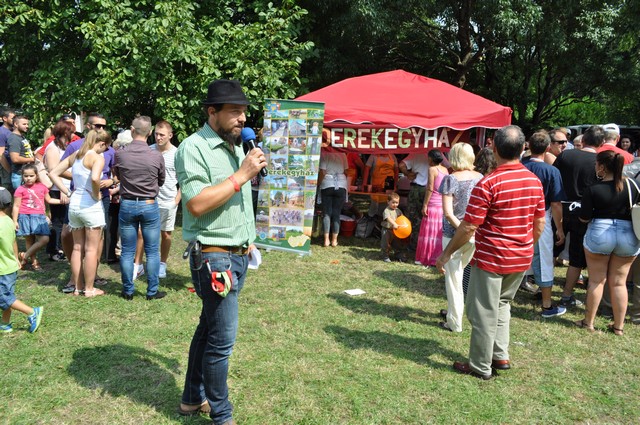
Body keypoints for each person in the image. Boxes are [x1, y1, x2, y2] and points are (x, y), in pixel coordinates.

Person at [175, 79, 266, 425]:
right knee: (221, 342)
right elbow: (197, 204)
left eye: (244, 111)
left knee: (208, 330)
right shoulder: (193, 148)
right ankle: (222, 416)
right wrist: (241, 176)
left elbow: (235, 204)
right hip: (214, 259)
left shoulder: (237, 147)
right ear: (212, 112)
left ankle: (190, 399)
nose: (242, 118)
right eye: (235, 111)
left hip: (237, 254)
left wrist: (247, 238)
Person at [436, 125, 545, 380]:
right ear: (523, 148)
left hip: (492, 257)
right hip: (520, 257)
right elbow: (539, 222)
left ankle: (480, 365)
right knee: (502, 304)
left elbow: (469, 226)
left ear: (494, 148)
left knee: (482, 311)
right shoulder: (533, 181)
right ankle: (500, 355)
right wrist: (525, 246)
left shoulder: (489, 183)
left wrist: (446, 253)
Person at [574, 150, 640, 335]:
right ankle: (618, 327)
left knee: (597, 280)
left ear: (602, 167)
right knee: (619, 283)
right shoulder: (633, 185)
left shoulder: (593, 189)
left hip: (600, 232)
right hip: (628, 234)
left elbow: (584, 218)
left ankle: (588, 322)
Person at [50, 129, 109, 297]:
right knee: (91, 249)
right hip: (90, 205)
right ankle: (89, 289)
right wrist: (96, 194)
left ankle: (77, 287)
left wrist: (67, 192)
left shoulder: (76, 154)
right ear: (101, 144)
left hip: (75, 203)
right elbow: (95, 178)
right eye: (105, 147)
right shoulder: (97, 157)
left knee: (77, 248)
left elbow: (53, 173)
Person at [113, 116, 166, 301]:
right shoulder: (156, 155)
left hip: (127, 203)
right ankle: (152, 291)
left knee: (127, 250)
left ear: (131, 130)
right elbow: (161, 180)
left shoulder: (120, 153)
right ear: (150, 132)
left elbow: (117, 175)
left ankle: (128, 290)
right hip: (149, 203)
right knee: (152, 250)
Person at [553, 125, 605, 308]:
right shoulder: (600, 162)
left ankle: (544, 286)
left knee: (552, 249)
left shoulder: (566, 155)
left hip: (560, 208)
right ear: (602, 143)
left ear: (583, 140)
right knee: (576, 257)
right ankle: (566, 294)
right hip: (584, 213)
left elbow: (554, 176)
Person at [437, 143, 483, 332]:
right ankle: (453, 312)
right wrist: (471, 231)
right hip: (475, 234)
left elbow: (448, 213)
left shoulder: (451, 178)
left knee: (454, 279)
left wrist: (464, 230)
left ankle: (454, 322)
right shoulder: (480, 177)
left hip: (454, 235)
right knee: (460, 274)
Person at [523, 130, 566, 318]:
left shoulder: (519, 167)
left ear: (529, 146)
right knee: (544, 259)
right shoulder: (551, 171)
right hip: (542, 217)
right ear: (548, 148)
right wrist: (560, 228)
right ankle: (547, 305)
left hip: (517, 216)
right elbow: (556, 204)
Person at [132, 121, 180, 279]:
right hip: (149, 199)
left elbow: (184, 179)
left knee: (165, 234)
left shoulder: (177, 154)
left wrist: (176, 199)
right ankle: (138, 265)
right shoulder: (149, 150)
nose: (158, 137)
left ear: (170, 135)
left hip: (168, 200)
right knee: (141, 233)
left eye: (162, 135)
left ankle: (162, 264)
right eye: (156, 134)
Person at [0, 187, 43, 333]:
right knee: (7, 295)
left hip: (2, 269)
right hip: (10, 266)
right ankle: (5, 323)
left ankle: (32, 312)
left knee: (4, 297)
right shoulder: (8, 221)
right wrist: (15, 258)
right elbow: (13, 241)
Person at [11, 164, 60, 271]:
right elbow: (16, 206)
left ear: (36, 176)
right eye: (26, 176)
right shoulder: (20, 189)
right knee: (30, 241)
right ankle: (34, 262)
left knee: (44, 239)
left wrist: (62, 201)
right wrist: (15, 221)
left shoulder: (42, 187)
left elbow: (49, 200)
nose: (28, 178)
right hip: (25, 217)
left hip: (39, 217)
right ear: (22, 176)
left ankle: (24, 255)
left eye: (31, 176)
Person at [43, 120, 75, 262]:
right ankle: (53, 250)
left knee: (64, 220)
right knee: (58, 220)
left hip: (66, 188)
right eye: (71, 131)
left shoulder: (64, 146)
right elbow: (53, 171)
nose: (73, 134)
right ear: (65, 132)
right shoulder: (52, 148)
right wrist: (63, 190)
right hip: (58, 189)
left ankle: (62, 248)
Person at [415, 149, 448, 266]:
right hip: (442, 204)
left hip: (433, 203)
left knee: (428, 231)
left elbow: (430, 188)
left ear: (430, 158)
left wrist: (425, 204)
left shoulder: (432, 169)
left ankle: (426, 258)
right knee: (438, 232)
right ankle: (436, 257)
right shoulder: (445, 170)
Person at [317, 133, 348, 247]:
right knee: (336, 213)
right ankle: (334, 240)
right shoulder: (343, 154)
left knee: (327, 213)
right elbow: (346, 171)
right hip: (341, 184)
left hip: (327, 183)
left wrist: (318, 183)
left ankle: (326, 240)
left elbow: (323, 171)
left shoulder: (324, 153)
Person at [399, 152, 430, 250]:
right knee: (427, 217)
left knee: (412, 217)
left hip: (415, 189)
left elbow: (401, 165)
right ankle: (424, 243)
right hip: (430, 190)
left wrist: (407, 174)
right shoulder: (437, 152)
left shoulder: (416, 152)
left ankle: (412, 243)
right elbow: (449, 166)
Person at [7, 115, 35, 191]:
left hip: (25, 174)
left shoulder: (21, 137)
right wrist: (31, 159)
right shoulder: (14, 138)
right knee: (21, 197)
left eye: (27, 124)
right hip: (19, 175)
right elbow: (15, 159)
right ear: (16, 124)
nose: (27, 126)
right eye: (24, 124)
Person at [380, 192, 405, 262]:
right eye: (393, 202)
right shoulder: (387, 210)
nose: (395, 204)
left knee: (397, 244)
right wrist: (394, 224)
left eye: (397, 203)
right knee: (385, 244)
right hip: (387, 230)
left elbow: (402, 218)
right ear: (388, 202)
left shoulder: (398, 210)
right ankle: (385, 256)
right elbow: (388, 218)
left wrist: (405, 224)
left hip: (395, 231)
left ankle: (398, 254)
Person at [0, 109, 15, 192]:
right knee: (7, 190)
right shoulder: (2, 132)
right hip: (6, 166)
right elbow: (0, 154)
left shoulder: (13, 131)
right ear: (5, 118)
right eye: (13, 118)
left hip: (14, 165)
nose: (15, 120)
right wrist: (9, 170)